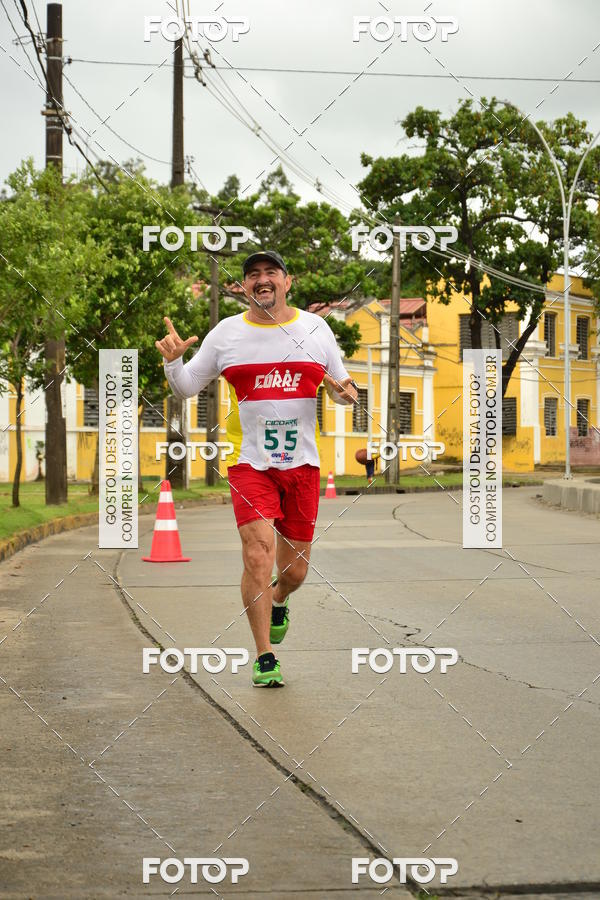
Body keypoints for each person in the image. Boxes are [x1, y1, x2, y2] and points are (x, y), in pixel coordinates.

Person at [155, 250, 357, 687]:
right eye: (253, 275)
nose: (261, 280)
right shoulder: (227, 334)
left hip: (302, 464)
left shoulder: (316, 329)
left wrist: (346, 394)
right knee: (256, 553)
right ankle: (265, 656)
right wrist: (173, 361)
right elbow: (188, 387)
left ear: (288, 282)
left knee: (296, 570)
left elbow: (342, 382)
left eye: (270, 273)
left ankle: (280, 597)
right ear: (242, 287)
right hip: (249, 464)